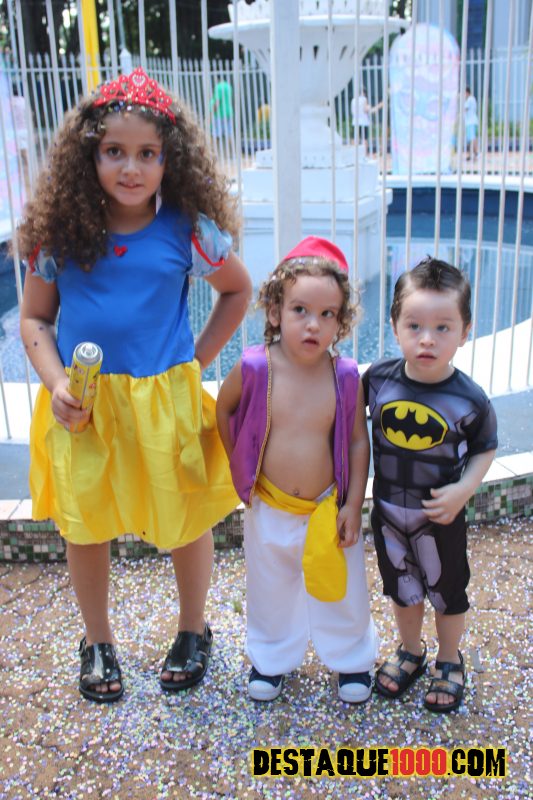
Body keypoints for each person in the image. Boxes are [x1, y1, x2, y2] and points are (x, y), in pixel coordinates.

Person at [17, 67, 252, 703]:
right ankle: (97, 641)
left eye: (148, 153)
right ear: (87, 156)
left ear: (170, 159)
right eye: (114, 151)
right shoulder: (61, 235)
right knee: (85, 525)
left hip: (162, 405)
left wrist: (195, 360)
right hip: (84, 408)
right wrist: (57, 383)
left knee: (183, 519)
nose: (131, 167)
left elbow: (238, 291)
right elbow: (35, 319)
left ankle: (193, 629)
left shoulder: (187, 230)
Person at [216, 237, 378, 703]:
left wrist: (352, 504)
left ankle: (352, 659)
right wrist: (240, 467)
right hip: (269, 504)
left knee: (342, 588)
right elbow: (224, 410)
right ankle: (271, 659)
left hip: (327, 507)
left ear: (341, 322)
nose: (313, 324)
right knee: (270, 587)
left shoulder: (344, 376)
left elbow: (356, 440)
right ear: (275, 312)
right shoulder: (255, 367)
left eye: (327, 314)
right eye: (300, 310)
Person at [363, 257, 497, 713]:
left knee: (447, 591)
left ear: (465, 331)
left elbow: (485, 448)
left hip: (440, 516)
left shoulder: (469, 399)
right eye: (414, 325)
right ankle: (410, 650)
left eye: (443, 327)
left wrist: (464, 490)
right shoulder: (377, 381)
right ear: (394, 326)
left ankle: (449, 658)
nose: (427, 339)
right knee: (401, 587)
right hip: (388, 513)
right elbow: (347, 426)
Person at [350, 88, 371, 154]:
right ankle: (365, 153)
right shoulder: (364, 99)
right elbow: (365, 109)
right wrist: (369, 107)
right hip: (364, 122)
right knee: (364, 138)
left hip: (355, 121)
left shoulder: (353, 100)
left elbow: (352, 111)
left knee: (354, 138)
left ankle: (354, 152)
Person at [464, 86, 479, 161]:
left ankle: (475, 153)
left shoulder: (470, 99)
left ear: (467, 92)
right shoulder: (472, 99)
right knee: (471, 139)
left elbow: (465, 109)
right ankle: (471, 154)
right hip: (471, 122)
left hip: (471, 122)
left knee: (472, 138)